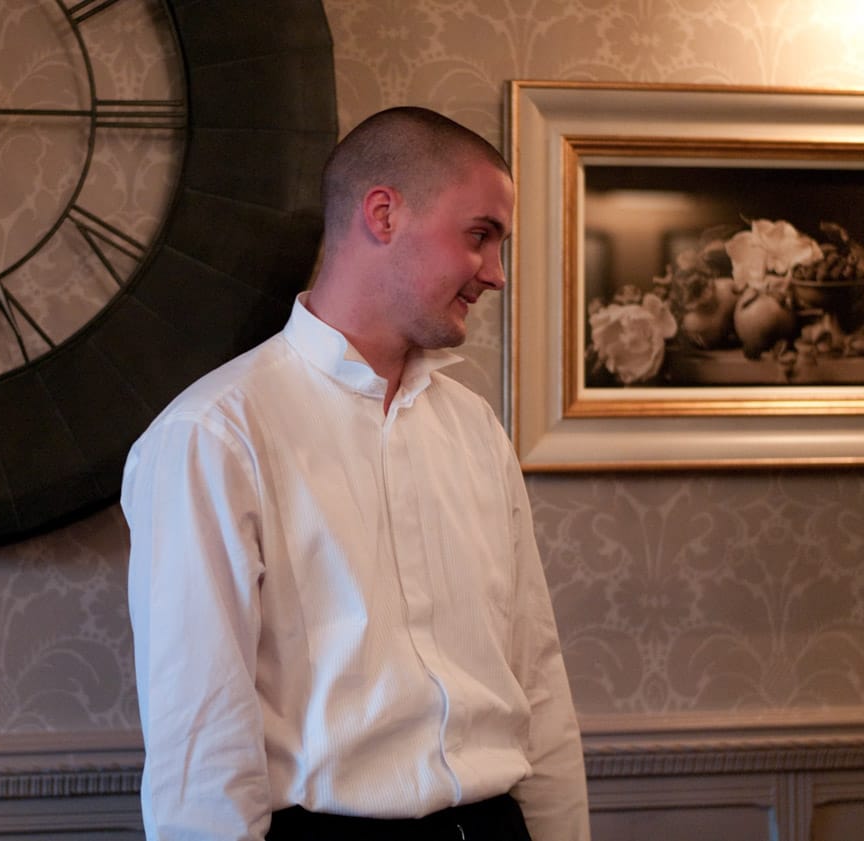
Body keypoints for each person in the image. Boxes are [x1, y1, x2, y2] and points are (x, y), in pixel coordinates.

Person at [123, 106, 589, 841]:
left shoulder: (476, 430)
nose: (496, 274)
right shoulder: (212, 436)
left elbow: (538, 677)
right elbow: (200, 738)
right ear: (383, 213)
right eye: (480, 235)